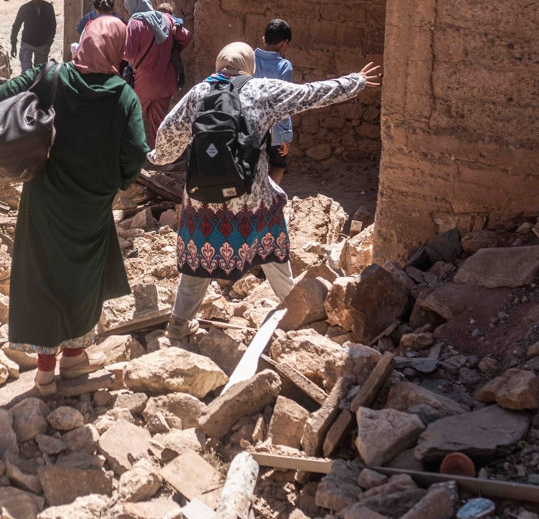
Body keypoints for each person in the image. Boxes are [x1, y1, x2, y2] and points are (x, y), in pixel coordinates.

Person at [148, 42, 381, 340]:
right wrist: (355, 81)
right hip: (251, 197)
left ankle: (179, 324)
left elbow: (166, 144)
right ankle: (299, 312)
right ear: (249, 65)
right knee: (272, 248)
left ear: (220, 63)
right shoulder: (263, 91)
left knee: (197, 262)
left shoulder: (198, 93)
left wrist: (154, 158)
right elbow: (312, 94)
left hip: (202, 200)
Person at [0, 16, 150, 396]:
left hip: (44, 196)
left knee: (43, 275)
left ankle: (47, 372)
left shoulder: (53, 79)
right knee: (82, 277)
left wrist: (34, 124)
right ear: (117, 49)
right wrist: (119, 181)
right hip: (92, 203)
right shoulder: (123, 95)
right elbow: (136, 152)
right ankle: (74, 356)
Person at [123, 0, 191, 140]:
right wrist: (173, 48)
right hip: (165, 82)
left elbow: (129, 54)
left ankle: (128, 156)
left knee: (129, 120)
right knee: (159, 125)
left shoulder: (135, 23)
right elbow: (186, 36)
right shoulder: (166, 19)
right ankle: (159, 159)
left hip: (144, 84)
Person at [254, 19, 294, 184]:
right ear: (285, 43)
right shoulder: (285, 66)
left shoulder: (250, 58)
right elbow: (283, 103)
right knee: (278, 164)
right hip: (274, 128)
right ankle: (269, 201)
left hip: (252, 125)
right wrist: (285, 135)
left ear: (264, 39)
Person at [11, 0, 57, 73]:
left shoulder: (48, 8)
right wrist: (13, 44)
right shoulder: (24, 8)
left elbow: (52, 26)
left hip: (42, 45)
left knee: (40, 73)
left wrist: (49, 43)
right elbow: (16, 26)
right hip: (27, 43)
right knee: (26, 73)